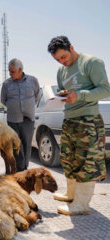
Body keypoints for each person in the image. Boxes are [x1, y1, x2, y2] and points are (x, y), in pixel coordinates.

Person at [47, 36, 110, 215]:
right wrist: (62, 95)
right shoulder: (61, 70)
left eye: (64, 57)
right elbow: (64, 91)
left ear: (72, 48)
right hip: (70, 119)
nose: (62, 62)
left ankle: (82, 204)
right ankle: (71, 194)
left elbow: (105, 89)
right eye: (57, 60)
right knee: (68, 159)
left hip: (88, 120)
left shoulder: (92, 62)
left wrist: (79, 95)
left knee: (86, 163)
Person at [1, 59, 40, 172]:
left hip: (28, 119)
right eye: (9, 71)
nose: (10, 74)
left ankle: (24, 168)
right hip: (13, 120)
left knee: (27, 146)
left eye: (13, 71)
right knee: (16, 145)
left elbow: (37, 97)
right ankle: (20, 169)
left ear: (20, 70)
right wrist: (15, 107)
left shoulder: (33, 81)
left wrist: (28, 106)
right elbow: (3, 100)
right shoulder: (6, 84)